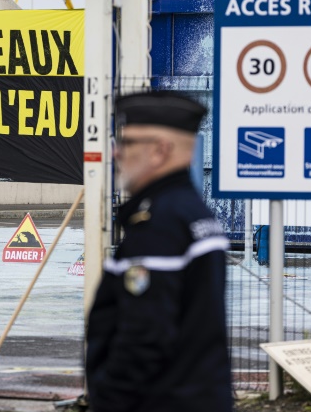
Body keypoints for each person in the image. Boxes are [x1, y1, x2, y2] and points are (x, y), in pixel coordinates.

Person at [85, 90, 232, 412]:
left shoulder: (158, 223)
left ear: (159, 151)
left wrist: (110, 398)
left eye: (127, 144)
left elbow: (144, 335)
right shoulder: (194, 214)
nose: (116, 154)